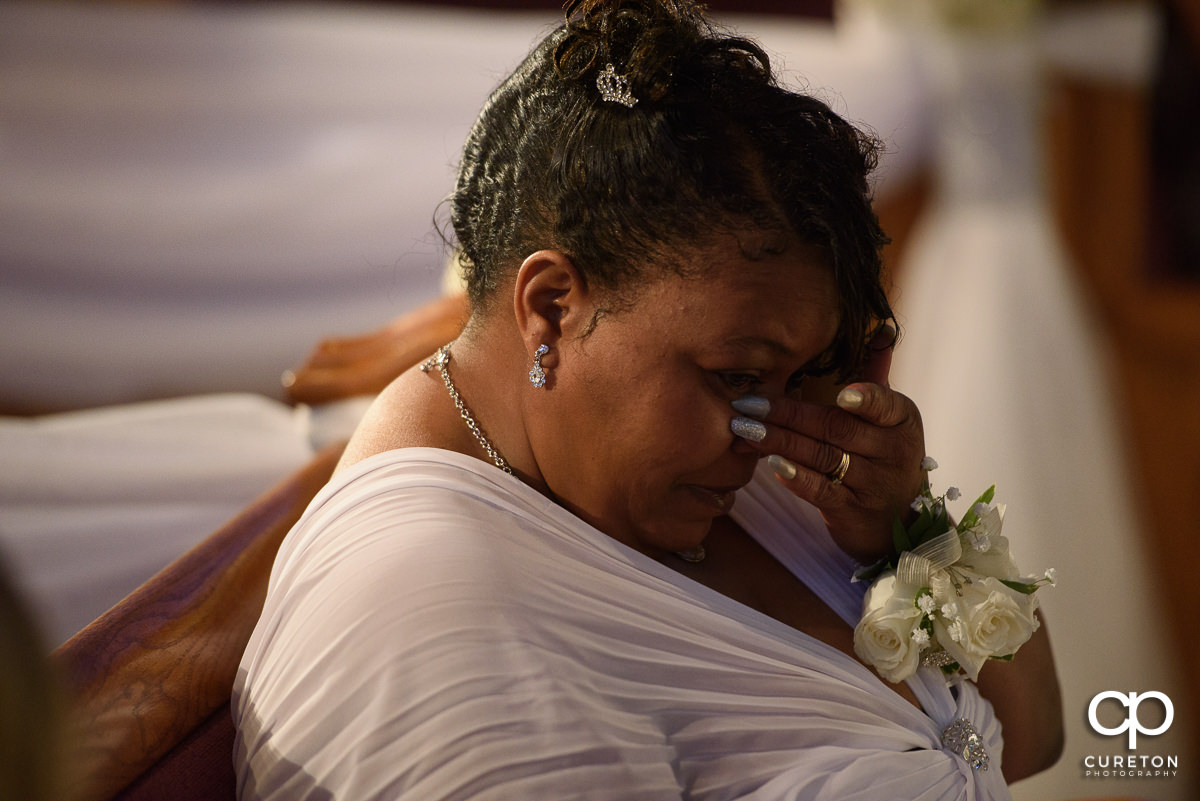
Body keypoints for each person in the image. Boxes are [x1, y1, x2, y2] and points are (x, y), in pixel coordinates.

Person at [233, 1, 1063, 798]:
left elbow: (1023, 740)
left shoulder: (733, 482)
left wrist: (905, 530)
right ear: (552, 306)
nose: (767, 432)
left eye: (802, 373)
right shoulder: (442, 626)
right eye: (739, 374)